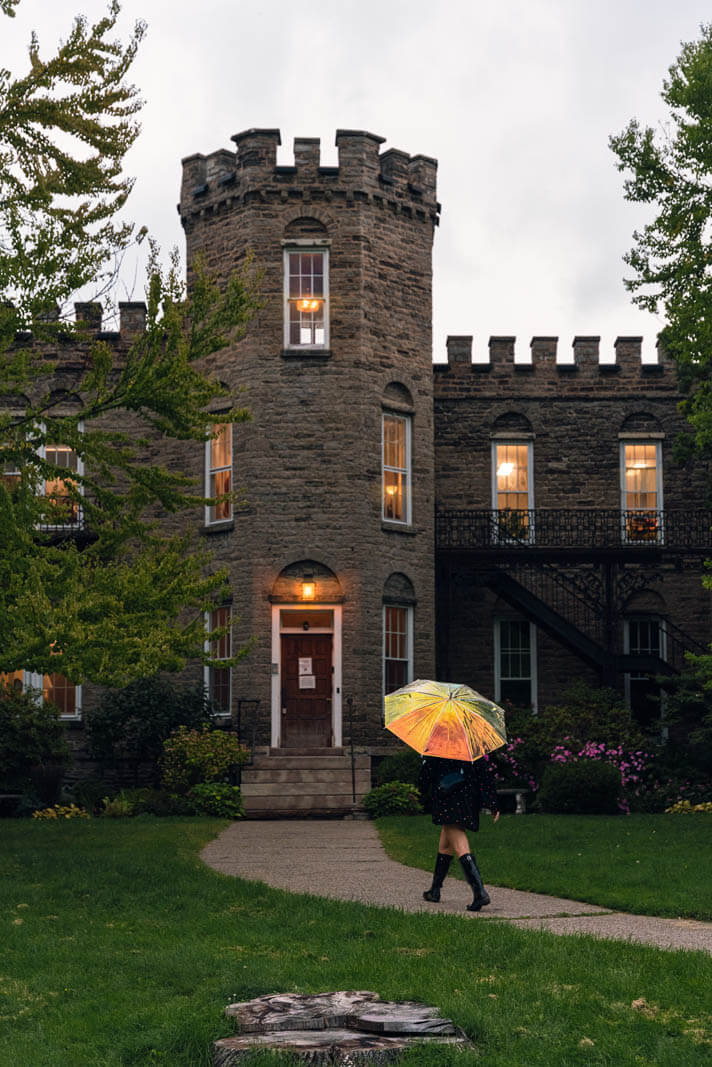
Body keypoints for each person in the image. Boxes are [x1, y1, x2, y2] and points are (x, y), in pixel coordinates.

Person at [417, 755, 500, 911]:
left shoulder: (439, 745)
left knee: (459, 844)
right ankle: (435, 890)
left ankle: (479, 892)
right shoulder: (468, 745)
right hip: (467, 796)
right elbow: (483, 774)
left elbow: (426, 774)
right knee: (446, 841)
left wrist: (420, 789)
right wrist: (492, 802)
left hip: (446, 796)